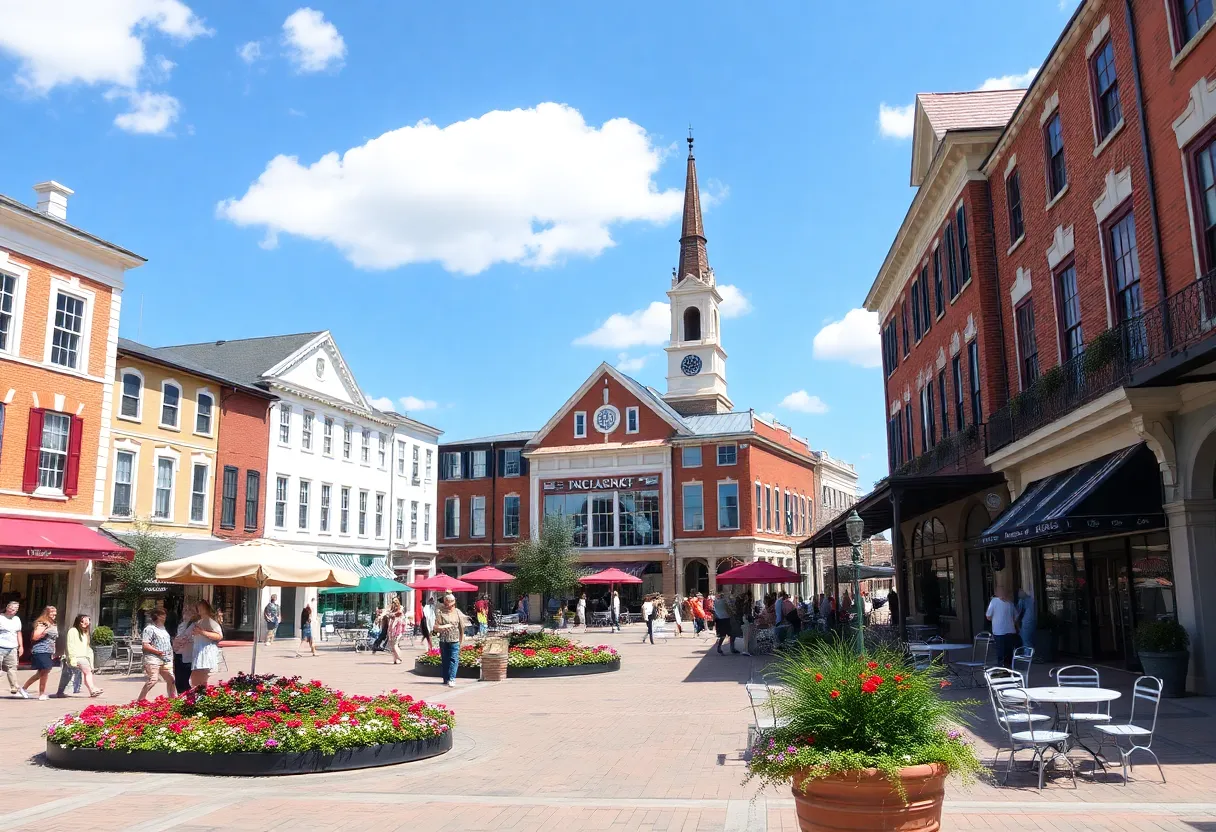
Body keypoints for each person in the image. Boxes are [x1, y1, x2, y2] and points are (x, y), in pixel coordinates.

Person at [137, 608, 175, 701]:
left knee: (171, 680)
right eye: (162, 615)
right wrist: (157, 651)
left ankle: (172, 699)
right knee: (153, 679)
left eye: (165, 615)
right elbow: (145, 645)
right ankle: (141, 699)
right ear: (157, 616)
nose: (165, 617)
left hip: (166, 659)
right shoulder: (149, 629)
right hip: (153, 658)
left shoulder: (164, 629)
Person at [21, 606, 58, 699]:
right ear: (47, 613)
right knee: (44, 672)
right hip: (41, 650)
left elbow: (53, 640)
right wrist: (44, 632)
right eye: (52, 613)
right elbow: (35, 637)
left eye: (55, 614)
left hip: (48, 650)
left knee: (42, 672)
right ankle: (41, 694)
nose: (54, 615)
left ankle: (23, 688)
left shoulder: (53, 623)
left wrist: (53, 651)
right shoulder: (42, 623)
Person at [63, 614, 102, 697]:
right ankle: (92, 689)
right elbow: (71, 645)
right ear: (79, 622)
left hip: (84, 657)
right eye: (83, 621)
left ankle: (92, 689)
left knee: (86, 673)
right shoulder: (73, 631)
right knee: (87, 673)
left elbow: (88, 649)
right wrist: (72, 659)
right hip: (78, 657)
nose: (86, 623)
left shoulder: (85, 633)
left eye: (88, 621)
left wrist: (91, 662)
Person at [433, 593, 467, 687]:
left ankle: (452, 678)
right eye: (446, 603)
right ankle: (446, 678)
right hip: (444, 640)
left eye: (449, 604)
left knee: (453, 659)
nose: (447, 606)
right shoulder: (440, 612)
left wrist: (461, 640)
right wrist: (442, 627)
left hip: (455, 639)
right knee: (445, 659)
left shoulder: (457, 612)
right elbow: (435, 627)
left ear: (453, 603)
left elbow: (462, 627)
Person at [188, 600, 224, 687]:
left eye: (201, 607)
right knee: (194, 680)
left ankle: (201, 695)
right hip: (198, 652)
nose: (199, 609)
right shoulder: (199, 621)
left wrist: (202, 632)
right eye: (198, 607)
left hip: (206, 653)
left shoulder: (211, 622)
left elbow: (219, 636)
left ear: (206, 609)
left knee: (200, 679)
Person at [986, 588, 1019, 668]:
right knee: (1004, 651)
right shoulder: (995, 602)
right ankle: (1004, 667)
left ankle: (1005, 667)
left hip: (1005, 631)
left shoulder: (1008, 603)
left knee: (1005, 651)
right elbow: (988, 616)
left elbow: (988, 616)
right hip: (1002, 631)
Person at [0, 600, 25, 698]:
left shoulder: (16, 619)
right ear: (7, 608)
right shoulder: (1, 618)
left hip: (12, 647)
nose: (14, 611)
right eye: (12, 609)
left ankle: (14, 687)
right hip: (1, 646)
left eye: (16, 609)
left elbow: (18, 633)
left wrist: (21, 646)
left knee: (12, 668)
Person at [171, 607, 197, 694]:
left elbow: (191, 637)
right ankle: (181, 696)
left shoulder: (195, 625)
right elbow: (178, 637)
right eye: (184, 611)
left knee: (185, 679)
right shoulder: (181, 625)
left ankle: (188, 697)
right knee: (178, 680)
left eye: (189, 611)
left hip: (188, 654)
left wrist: (181, 640)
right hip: (178, 652)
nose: (185, 614)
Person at [712, 591, 740, 655]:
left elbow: (714, 610)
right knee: (732, 634)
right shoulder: (724, 601)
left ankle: (719, 647)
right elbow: (729, 610)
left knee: (722, 635)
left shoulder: (715, 602)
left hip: (719, 619)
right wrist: (734, 613)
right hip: (726, 619)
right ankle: (732, 648)